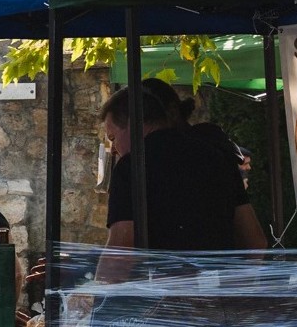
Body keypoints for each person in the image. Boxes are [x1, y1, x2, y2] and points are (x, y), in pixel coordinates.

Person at [95, 84, 267, 283]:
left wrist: (95, 291)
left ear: (135, 124)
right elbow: (255, 242)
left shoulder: (132, 167)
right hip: (220, 294)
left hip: (162, 296)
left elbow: (119, 258)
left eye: (113, 138)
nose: (113, 149)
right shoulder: (217, 158)